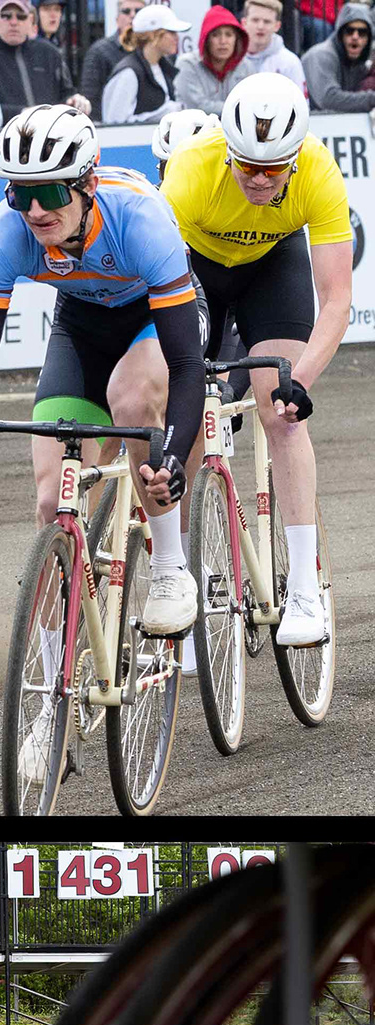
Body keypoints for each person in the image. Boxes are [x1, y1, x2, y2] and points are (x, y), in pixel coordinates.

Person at [0, 103, 204, 740]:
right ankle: (49, 697)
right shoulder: (6, 234)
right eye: (21, 193)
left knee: (132, 401)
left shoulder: (139, 218)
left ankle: (171, 567)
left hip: (156, 319)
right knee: (49, 500)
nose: (35, 210)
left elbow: (186, 364)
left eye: (52, 193)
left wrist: (172, 455)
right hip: (82, 328)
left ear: (86, 184)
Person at [159, 84, 350, 647]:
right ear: (228, 153)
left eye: (274, 169)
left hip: (272, 268)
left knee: (281, 415)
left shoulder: (318, 171)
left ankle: (305, 592)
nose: (261, 180)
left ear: (296, 158)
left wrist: (300, 381)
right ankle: (183, 582)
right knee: (182, 416)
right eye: (247, 166)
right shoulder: (192, 169)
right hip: (195, 271)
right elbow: (156, 281)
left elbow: (337, 300)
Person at [0, 0, 87, 111]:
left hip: (49, 127)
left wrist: (75, 100)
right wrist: (23, 113)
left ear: (30, 20)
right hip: (2, 128)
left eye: (21, 16)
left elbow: (66, 94)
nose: (14, 22)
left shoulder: (49, 52)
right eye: (6, 16)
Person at [101, 1, 186, 118]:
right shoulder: (128, 73)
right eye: (171, 32)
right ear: (153, 35)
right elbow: (115, 121)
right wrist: (164, 114)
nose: (176, 37)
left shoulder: (164, 67)